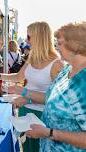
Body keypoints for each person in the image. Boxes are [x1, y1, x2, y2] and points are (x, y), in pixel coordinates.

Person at [0, 21, 64, 152]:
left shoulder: (57, 64)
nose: (26, 40)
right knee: (27, 148)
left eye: (29, 37)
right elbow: (19, 77)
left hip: (43, 117)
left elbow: (56, 99)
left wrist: (25, 95)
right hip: (26, 112)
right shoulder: (32, 58)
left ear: (40, 37)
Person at [26, 22, 86, 151]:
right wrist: (25, 94)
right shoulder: (67, 70)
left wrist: (50, 133)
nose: (56, 48)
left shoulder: (83, 81)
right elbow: (49, 98)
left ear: (75, 46)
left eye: (59, 43)